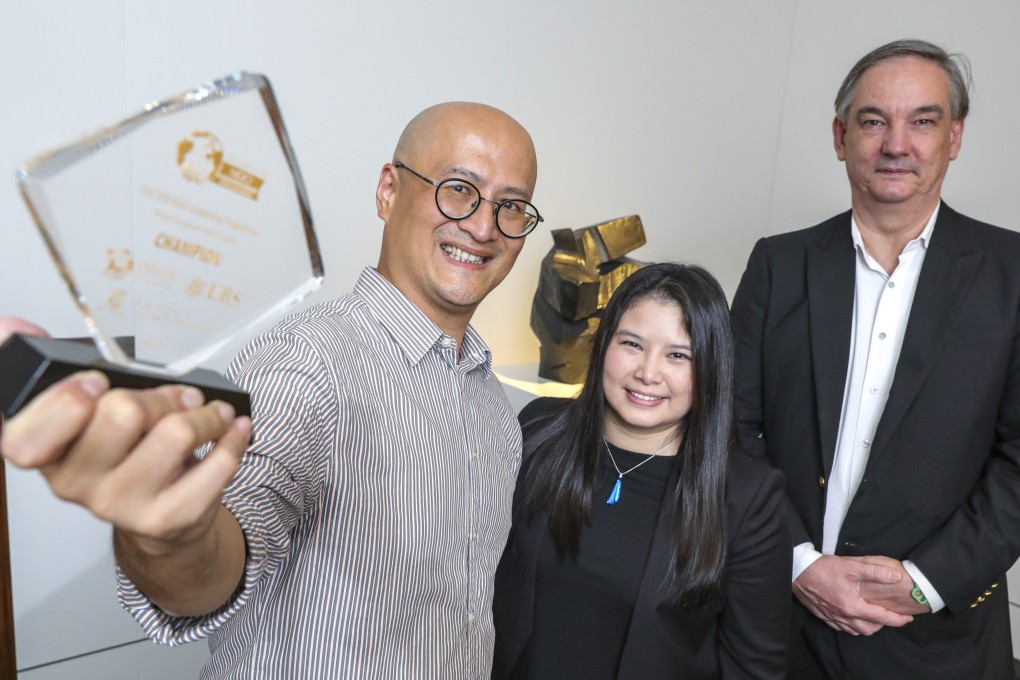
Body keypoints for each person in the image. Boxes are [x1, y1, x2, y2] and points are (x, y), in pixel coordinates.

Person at [1, 101, 542, 679]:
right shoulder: (307, 364)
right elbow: (216, 560)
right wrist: (169, 540)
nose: (484, 227)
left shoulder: (490, 399)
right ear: (388, 190)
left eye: (511, 206)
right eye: (458, 188)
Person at [730, 38, 1020, 680]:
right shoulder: (778, 266)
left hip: (941, 641)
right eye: (873, 121)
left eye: (923, 120)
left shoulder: (1012, 275)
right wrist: (800, 562)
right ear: (840, 137)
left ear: (955, 137)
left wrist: (926, 581)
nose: (897, 144)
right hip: (777, 628)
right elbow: (729, 431)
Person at [493, 263, 792, 679]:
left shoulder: (747, 497)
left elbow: (754, 667)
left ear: (710, 369)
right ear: (604, 344)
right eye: (632, 344)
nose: (648, 373)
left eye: (678, 355)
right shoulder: (539, 431)